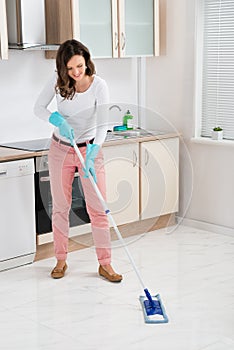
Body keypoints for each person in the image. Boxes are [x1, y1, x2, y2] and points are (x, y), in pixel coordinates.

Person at [34, 39, 122, 282]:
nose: (75, 73)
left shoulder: (99, 85)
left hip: (89, 149)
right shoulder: (58, 81)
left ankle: (105, 264)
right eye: (70, 68)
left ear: (87, 62)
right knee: (61, 207)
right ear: (63, 67)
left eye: (79, 67)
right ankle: (61, 260)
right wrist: (57, 120)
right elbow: (38, 108)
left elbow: (103, 123)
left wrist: (94, 150)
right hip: (61, 148)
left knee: (98, 207)